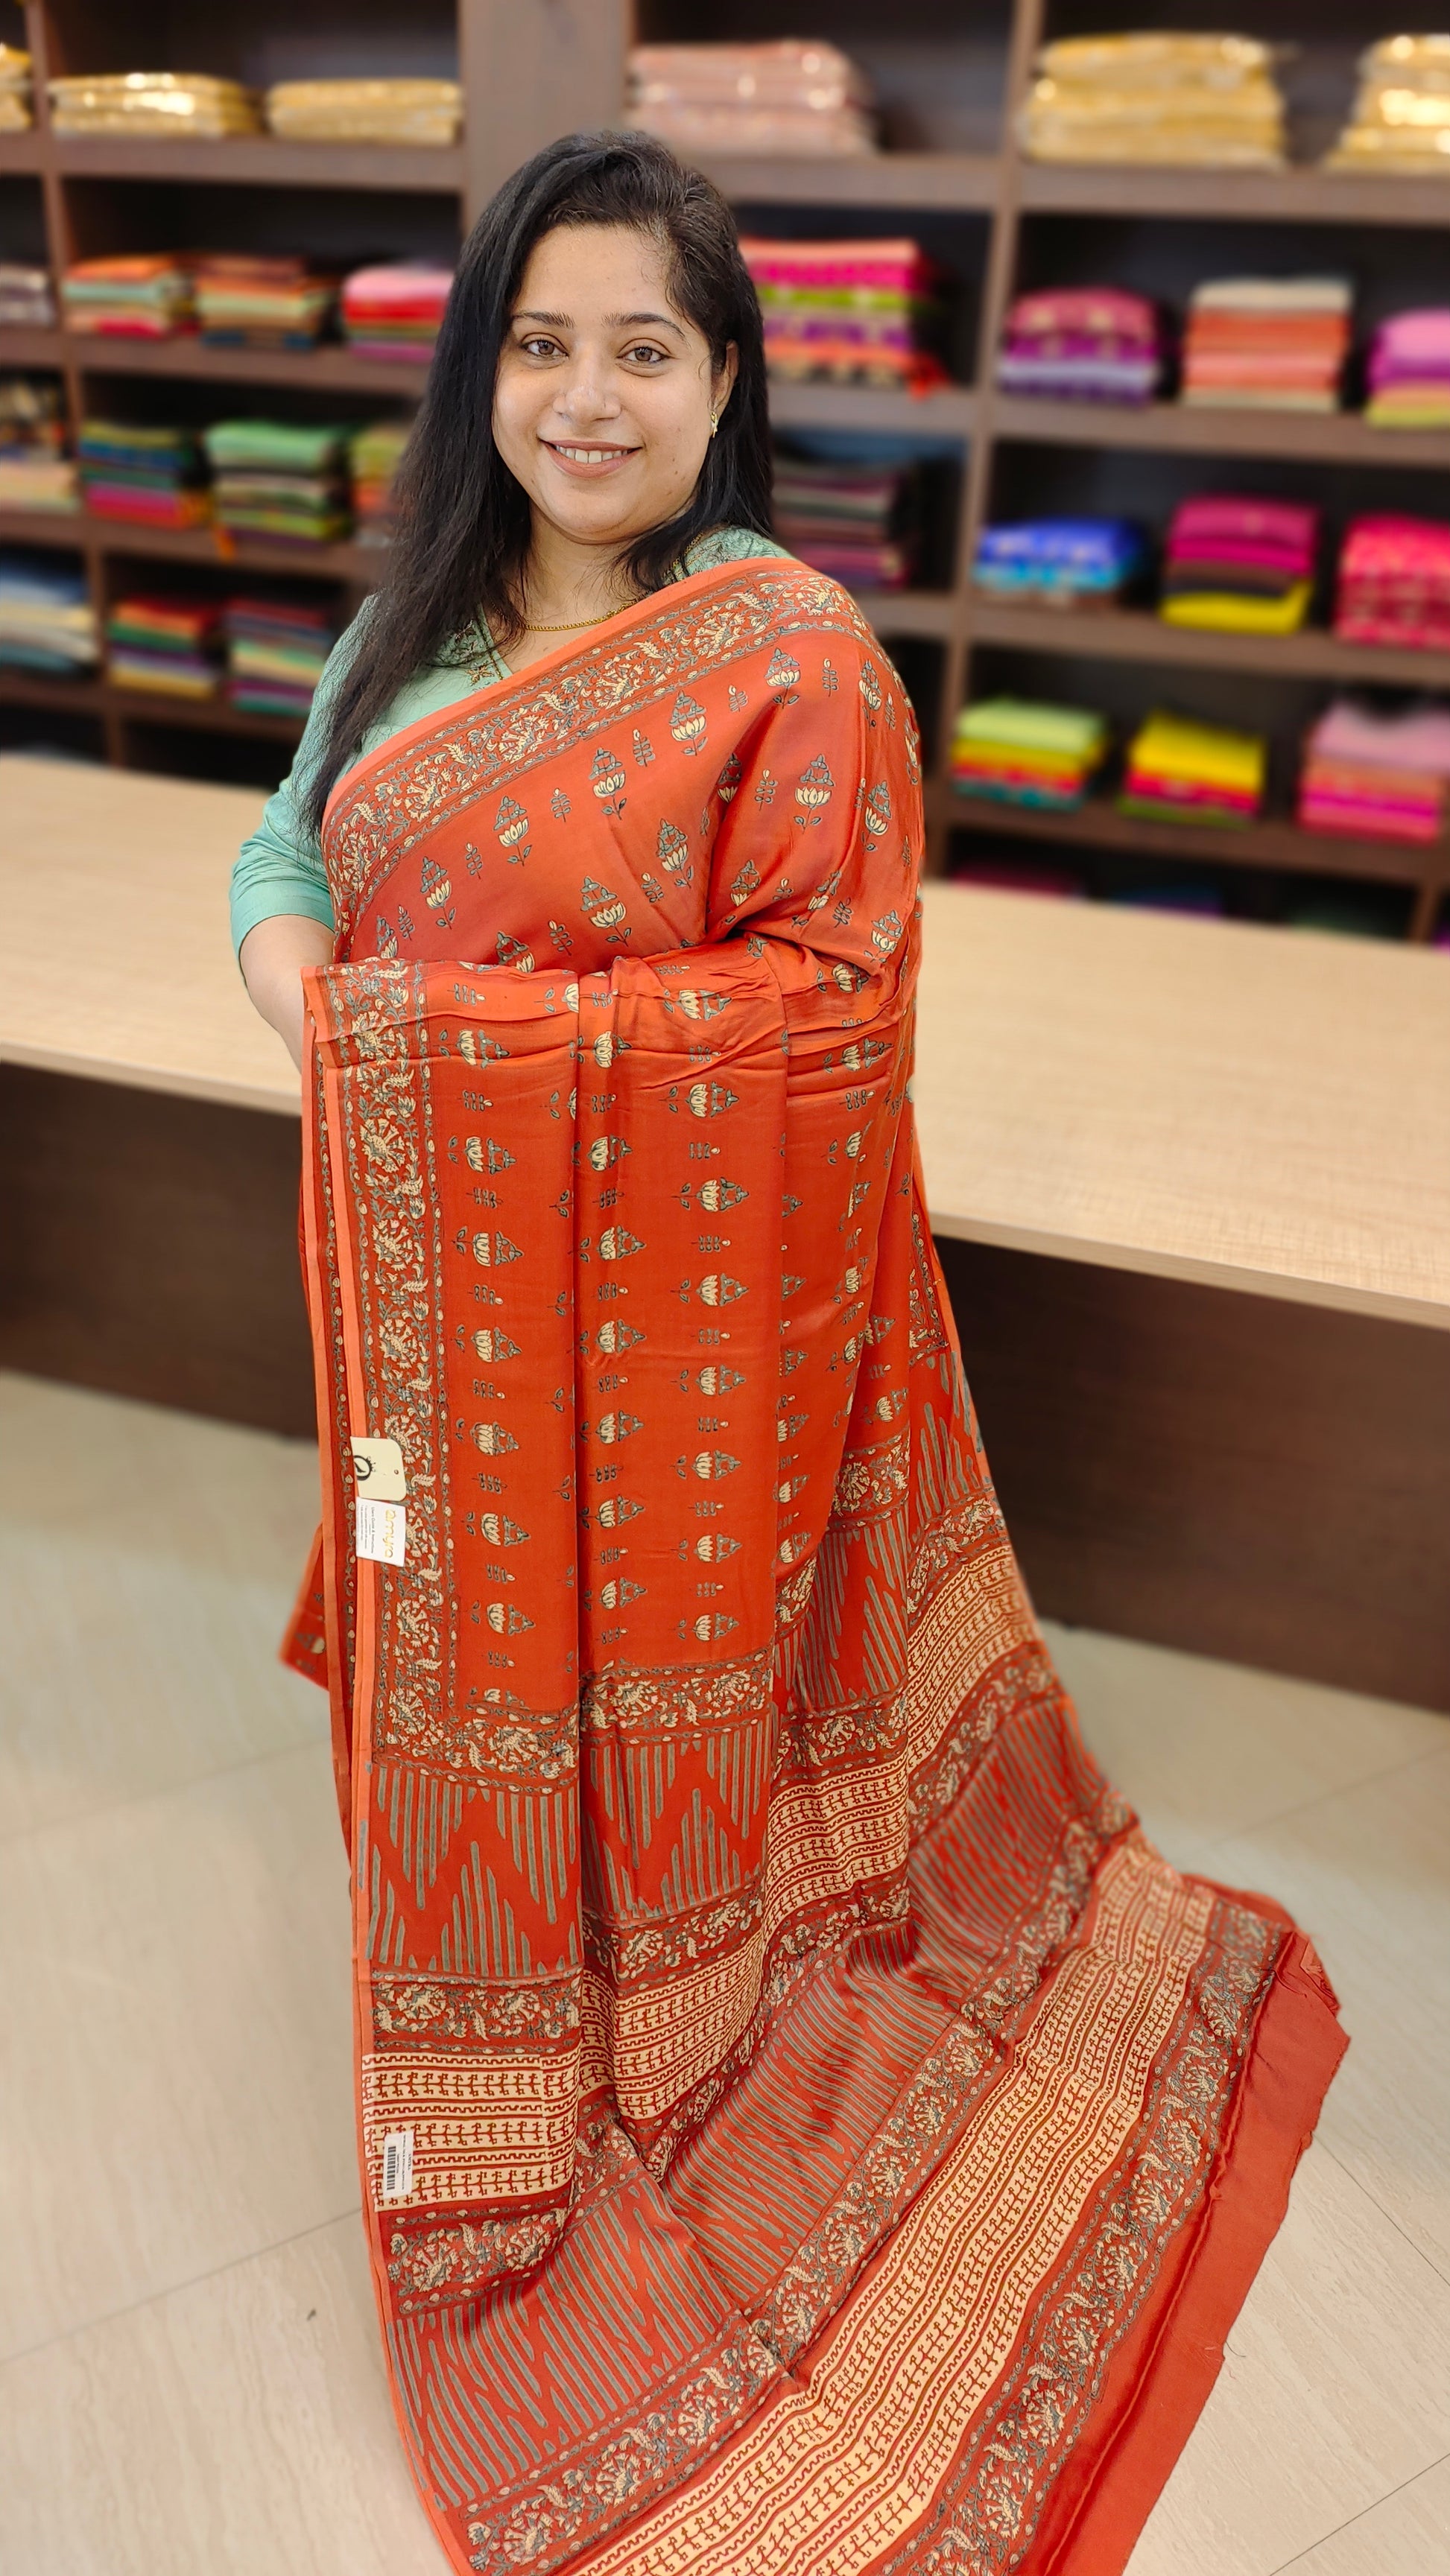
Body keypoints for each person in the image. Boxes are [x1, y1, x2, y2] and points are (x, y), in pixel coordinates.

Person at [234, 133, 1342, 2576]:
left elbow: (831, 1013)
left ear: (723, 381)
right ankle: (487, 1970)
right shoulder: (403, 622)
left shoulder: (788, 651)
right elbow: (289, 841)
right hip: (439, 1317)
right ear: (482, 371)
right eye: (540, 343)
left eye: (640, 347)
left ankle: (661, 1988)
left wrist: (469, 1062)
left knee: (642, 1670)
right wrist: (320, 1001)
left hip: (671, 1346)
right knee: (444, 1638)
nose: (584, 395)